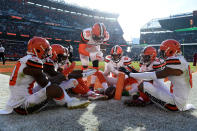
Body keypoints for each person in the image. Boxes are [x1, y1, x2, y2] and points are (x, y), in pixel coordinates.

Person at [0, 37, 89, 115]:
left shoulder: (26, 59)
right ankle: (69, 102)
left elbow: (45, 80)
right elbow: (46, 84)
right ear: (38, 49)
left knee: (55, 86)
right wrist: (63, 76)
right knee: (54, 88)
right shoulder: (34, 60)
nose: (47, 54)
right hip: (22, 105)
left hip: (20, 98)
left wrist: (63, 76)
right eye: (46, 50)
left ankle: (67, 99)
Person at [121, 39, 195, 111]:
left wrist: (130, 74)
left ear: (171, 51)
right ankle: (146, 97)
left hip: (175, 105)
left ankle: (143, 99)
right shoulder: (180, 60)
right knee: (149, 81)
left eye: (163, 51)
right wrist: (132, 72)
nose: (162, 53)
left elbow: (153, 75)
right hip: (179, 100)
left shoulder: (174, 61)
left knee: (143, 85)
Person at [78, 23, 109, 89]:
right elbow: (81, 50)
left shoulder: (106, 36)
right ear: (92, 32)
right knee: (85, 66)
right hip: (85, 48)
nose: (99, 39)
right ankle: (84, 83)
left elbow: (103, 47)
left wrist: (100, 54)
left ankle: (92, 85)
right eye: (97, 37)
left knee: (95, 67)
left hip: (95, 47)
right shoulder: (86, 34)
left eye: (101, 38)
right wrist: (92, 55)